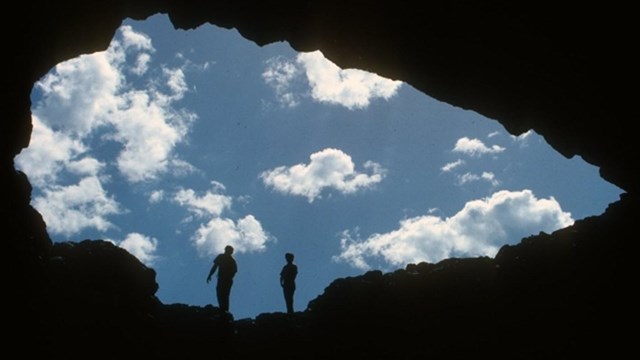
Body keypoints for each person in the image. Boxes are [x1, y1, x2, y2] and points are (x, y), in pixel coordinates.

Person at [206, 245, 237, 312]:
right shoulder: (222, 257)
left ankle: (224, 310)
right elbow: (215, 266)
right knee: (221, 293)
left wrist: (228, 277)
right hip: (223, 279)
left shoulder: (231, 260)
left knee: (224, 294)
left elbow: (234, 271)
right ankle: (223, 309)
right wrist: (210, 275)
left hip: (226, 280)